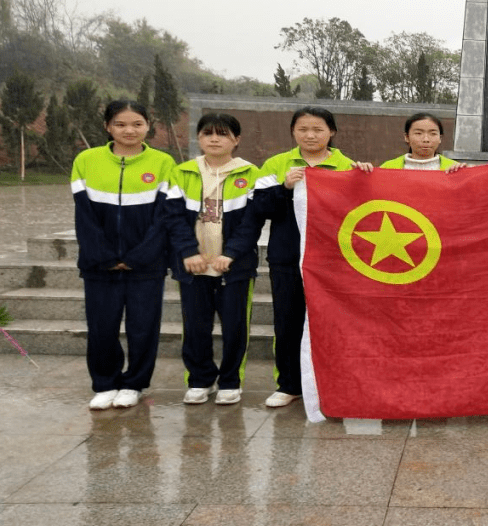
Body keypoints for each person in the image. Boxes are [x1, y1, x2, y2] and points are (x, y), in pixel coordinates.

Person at [248, 107, 371, 408]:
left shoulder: (347, 166)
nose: (310, 135)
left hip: (334, 261)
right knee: (288, 322)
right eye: (303, 129)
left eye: (318, 129)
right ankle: (289, 384)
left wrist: (366, 179)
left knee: (334, 323)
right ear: (293, 132)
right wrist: (285, 187)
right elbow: (259, 208)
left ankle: (334, 382)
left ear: (332, 132)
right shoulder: (278, 164)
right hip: (288, 258)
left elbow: (365, 213)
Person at [72, 100, 176, 410]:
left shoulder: (162, 163)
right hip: (98, 264)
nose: (129, 130)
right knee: (102, 326)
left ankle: (135, 383)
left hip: (146, 265)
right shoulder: (86, 160)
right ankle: (105, 383)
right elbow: (84, 217)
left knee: (143, 327)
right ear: (107, 127)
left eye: (136, 124)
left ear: (148, 126)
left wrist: (138, 256)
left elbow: (165, 218)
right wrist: (104, 256)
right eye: (120, 124)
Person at [165, 114, 261, 406]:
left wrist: (230, 254)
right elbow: (172, 218)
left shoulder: (250, 173)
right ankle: (200, 379)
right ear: (199, 138)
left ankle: (231, 380)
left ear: (236, 139)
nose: (215, 139)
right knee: (195, 325)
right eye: (207, 134)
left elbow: (251, 222)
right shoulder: (182, 172)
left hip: (233, 268)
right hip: (194, 266)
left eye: (223, 134)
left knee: (234, 326)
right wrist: (188, 253)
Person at [380, 113, 466, 172]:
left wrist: (464, 175)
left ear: (440, 138)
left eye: (433, 134)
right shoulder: (387, 168)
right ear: (407, 137)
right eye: (418, 133)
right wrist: (366, 174)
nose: (426, 139)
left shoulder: (454, 169)